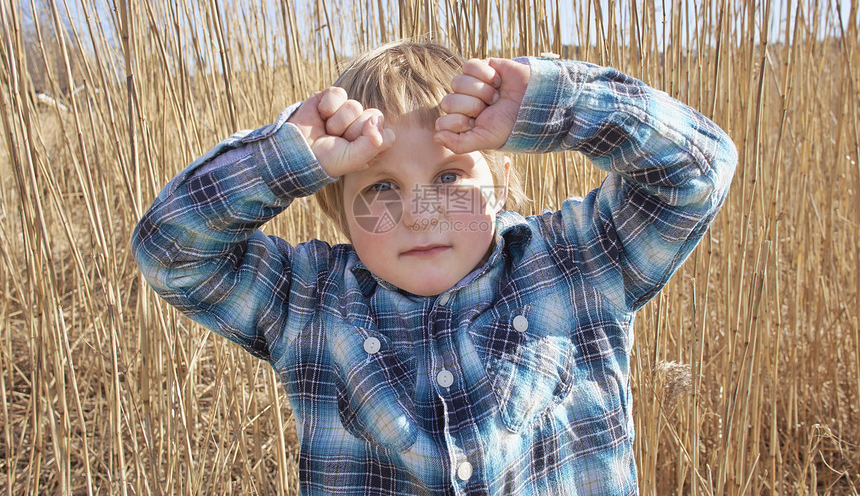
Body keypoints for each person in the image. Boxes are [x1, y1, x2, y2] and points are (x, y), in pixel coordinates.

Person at [132, 40, 737, 495]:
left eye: (449, 177)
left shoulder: (576, 263)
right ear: (337, 207)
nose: (419, 215)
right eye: (381, 189)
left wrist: (558, 103)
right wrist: (284, 158)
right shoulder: (309, 305)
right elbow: (173, 249)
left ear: (496, 179)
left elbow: (697, 170)